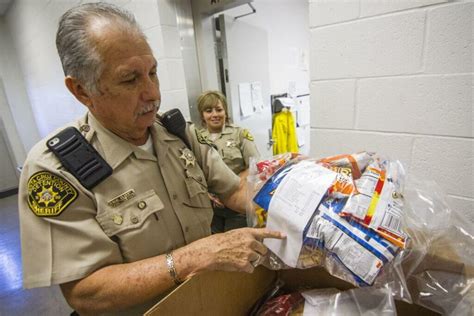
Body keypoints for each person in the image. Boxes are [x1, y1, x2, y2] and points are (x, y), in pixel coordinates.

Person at [17, 3, 284, 315]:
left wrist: (304, 197)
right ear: (82, 90)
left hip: (210, 301)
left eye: (153, 72)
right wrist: (193, 256)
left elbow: (235, 191)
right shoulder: (56, 170)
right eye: (130, 80)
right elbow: (87, 292)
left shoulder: (177, 133)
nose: (153, 93)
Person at [197, 90, 260, 232]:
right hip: (210, 208)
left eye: (219, 110)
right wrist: (206, 194)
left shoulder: (240, 134)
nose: (214, 115)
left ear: (225, 111)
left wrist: (232, 186)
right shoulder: (197, 139)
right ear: (202, 114)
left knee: (240, 247)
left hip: (236, 206)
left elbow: (254, 166)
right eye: (208, 111)